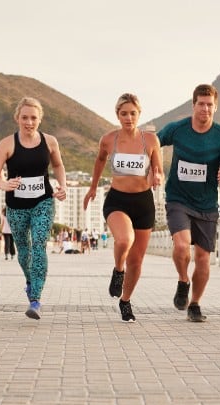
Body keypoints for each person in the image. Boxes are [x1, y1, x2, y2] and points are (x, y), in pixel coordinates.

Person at [156, 84, 220, 322]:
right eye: (201, 104)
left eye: (210, 104)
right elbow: (151, 143)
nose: (205, 108)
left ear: (216, 107)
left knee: (202, 258)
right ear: (193, 105)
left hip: (207, 204)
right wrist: (155, 170)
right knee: (181, 246)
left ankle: (195, 304)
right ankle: (183, 279)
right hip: (178, 199)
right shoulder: (177, 129)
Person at [83, 93, 163, 322]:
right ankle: (118, 270)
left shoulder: (150, 140)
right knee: (124, 240)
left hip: (143, 202)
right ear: (117, 115)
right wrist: (93, 187)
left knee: (137, 260)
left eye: (133, 113)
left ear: (139, 114)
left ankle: (125, 301)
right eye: (123, 113)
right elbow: (99, 161)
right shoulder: (109, 139)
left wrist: (157, 177)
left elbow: (158, 169)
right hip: (117, 200)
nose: (128, 118)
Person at [0, 97, 67, 320]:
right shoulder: (7, 144)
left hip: (43, 200)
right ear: (17, 118)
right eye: (25, 117)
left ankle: (36, 299)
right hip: (16, 206)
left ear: (40, 119)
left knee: (39, 244)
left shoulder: (50, 141)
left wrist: (62, 185)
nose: (29, 122)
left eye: (34, 118)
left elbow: (58, 165)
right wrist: (5, 184)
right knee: (24, 252)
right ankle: (30, 283)